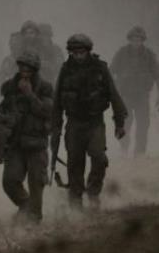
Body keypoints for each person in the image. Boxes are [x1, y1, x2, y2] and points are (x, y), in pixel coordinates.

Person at [52, 34, 127, 210]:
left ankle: (93, 193)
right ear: (70, 53)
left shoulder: (100, 68)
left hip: (95, 122)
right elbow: (56, 102)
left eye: (82, 52)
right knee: (74, 162)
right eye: (74, 52)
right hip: (74, 123)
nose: (78, 55)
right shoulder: (65, 70)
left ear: (88, 51)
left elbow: (113, 95)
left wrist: (120, 123)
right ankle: (75, 199)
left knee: (99, 158)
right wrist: (55, 128)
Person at [0, 52, 53, 223]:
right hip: (15, 144)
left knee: (36, 183)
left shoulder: (44, 88)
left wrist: (30, 94)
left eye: (29, 67)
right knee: (9, 181)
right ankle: (25, 206)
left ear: (35, 69)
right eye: (22, 66)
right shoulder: (10, 88)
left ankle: (34, 218)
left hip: (36, 143)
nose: (25, 70)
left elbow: (47, 111)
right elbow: (0, 112)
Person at [110, 26, 159, 157]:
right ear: (130, 39)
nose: (136, 42)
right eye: (133, 39)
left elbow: (157, 75)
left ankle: (140, 152)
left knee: (143, 124)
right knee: (125, 123)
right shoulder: (121, 53)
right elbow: (111, 72)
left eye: (139, 39)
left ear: (142, 40)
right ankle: (124, 149)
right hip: (125, 95)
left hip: (142, 95)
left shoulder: (149, 55)